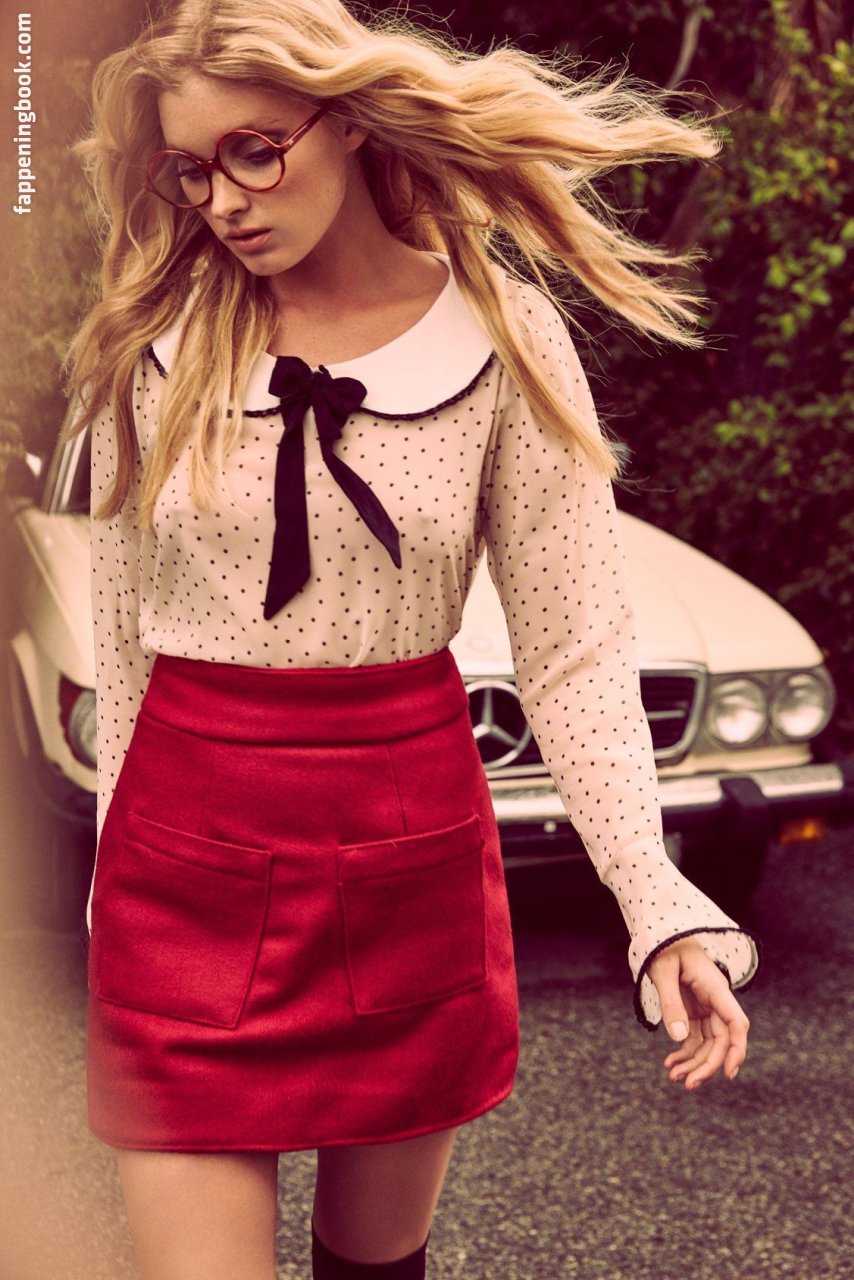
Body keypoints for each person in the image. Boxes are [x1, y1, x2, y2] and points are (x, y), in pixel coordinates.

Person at [61, 1, 761, 1276]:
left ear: (349, 122)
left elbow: (573, 648)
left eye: (254, 150)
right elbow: (120, 641)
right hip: (187, 861)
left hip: (405, 853)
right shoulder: (147, 342)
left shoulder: (502, 336)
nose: (224, 200)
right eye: (190, 170)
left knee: (373, 1268)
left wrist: (656, 901)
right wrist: (113, 882)